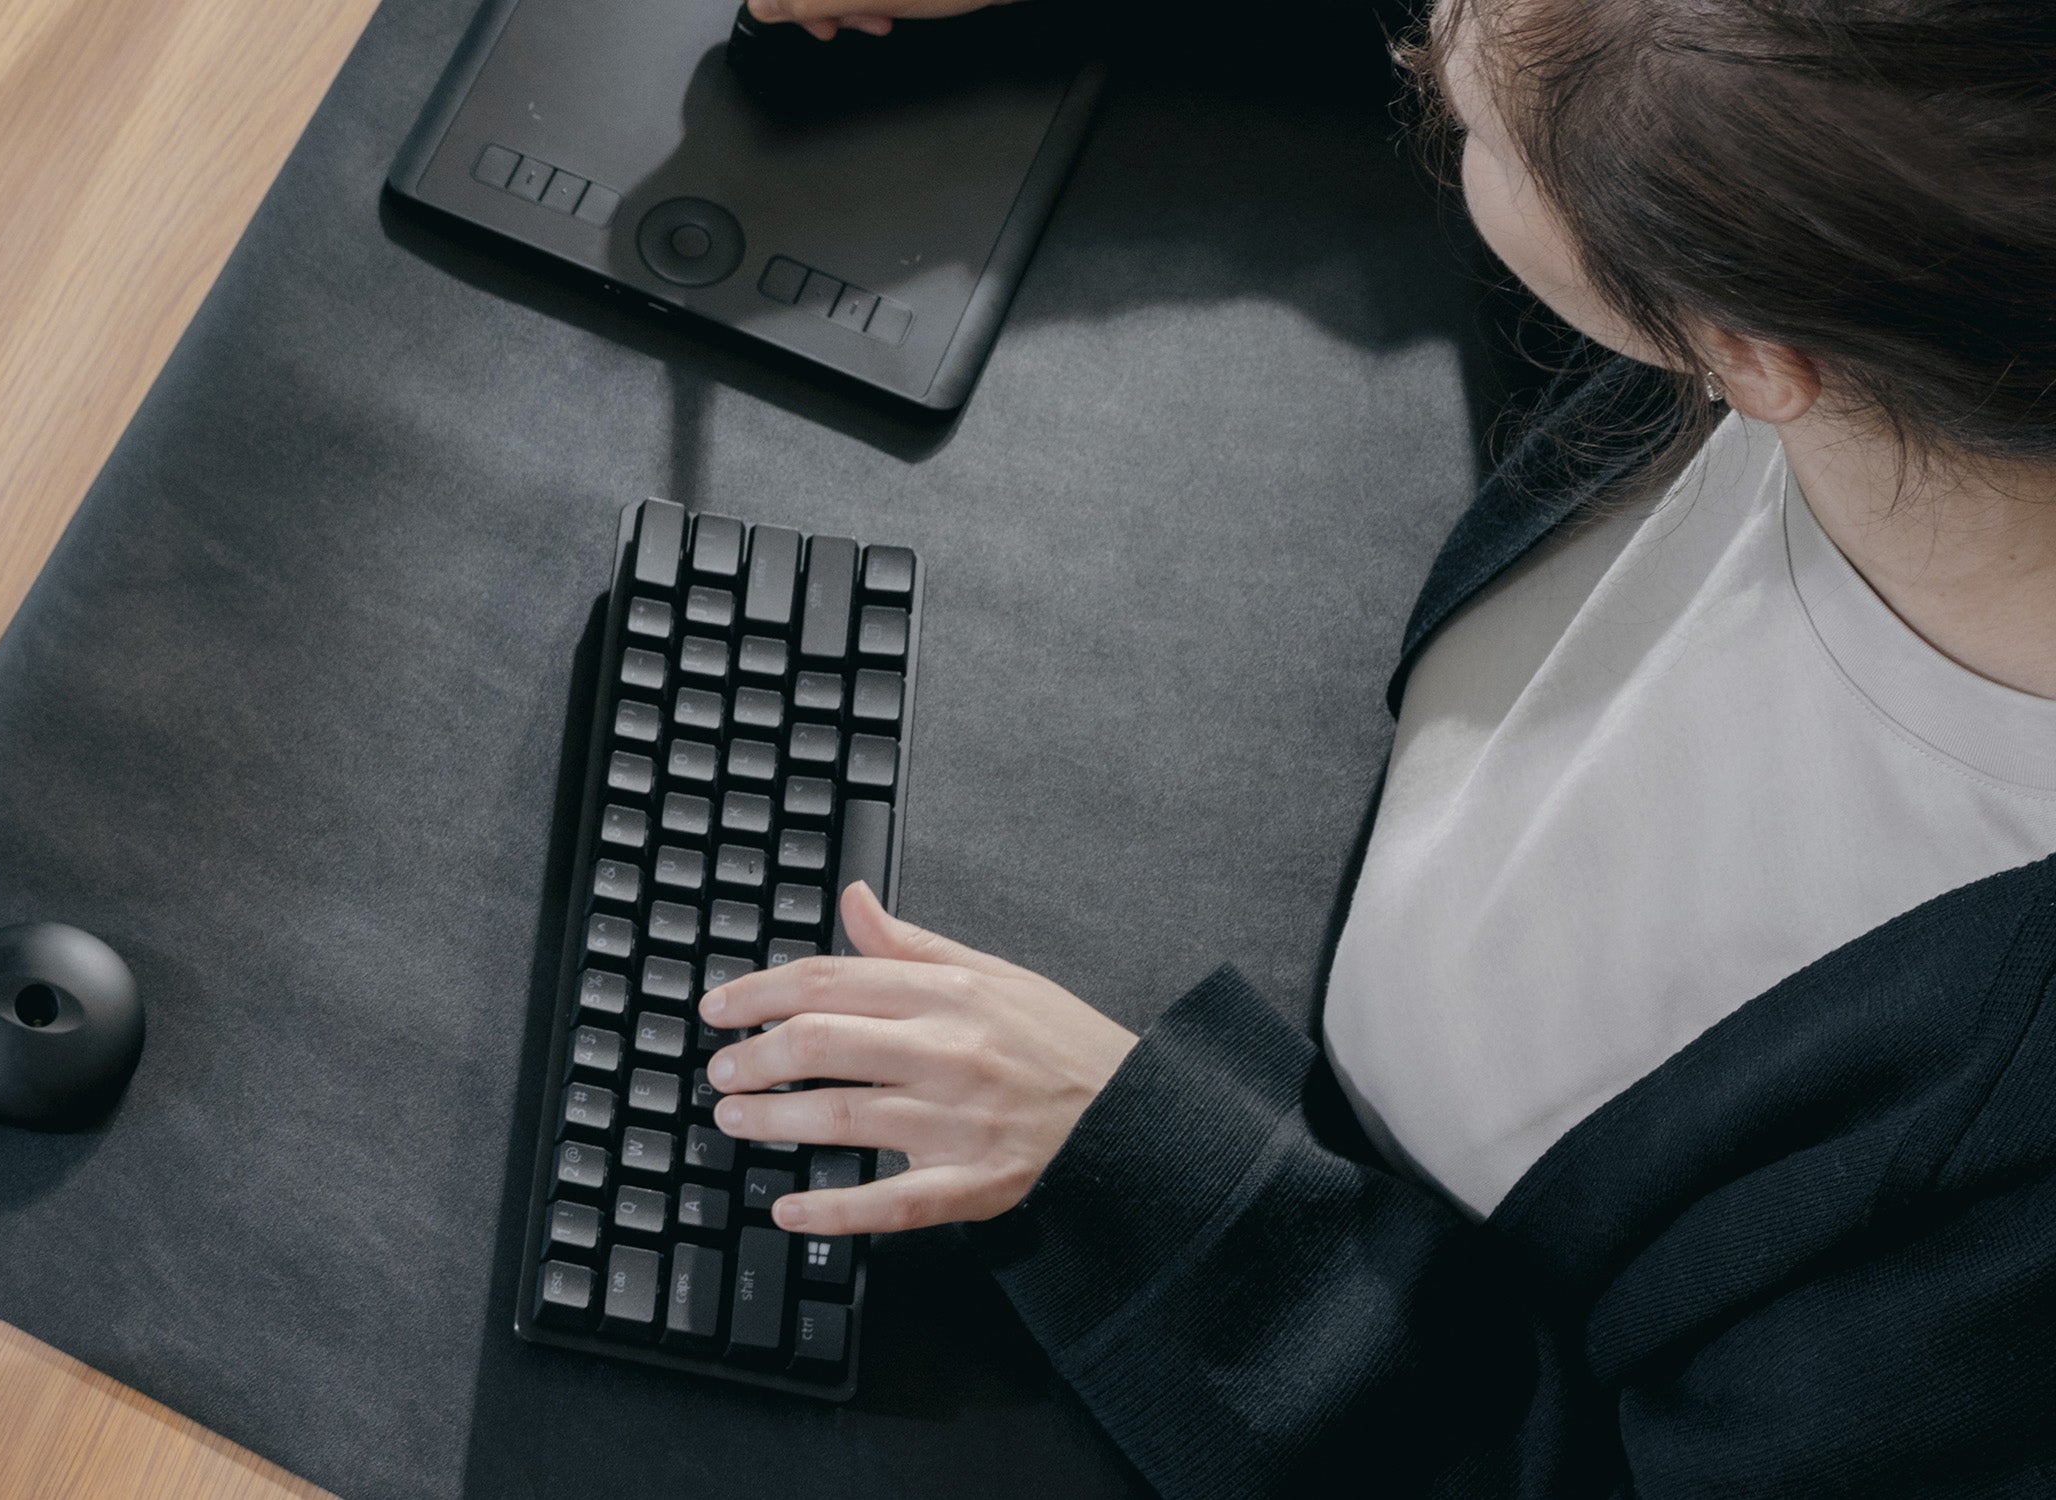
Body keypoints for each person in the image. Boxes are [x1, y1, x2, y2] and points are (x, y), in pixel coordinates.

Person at [712, 0, 2056, 1493]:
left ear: (1747, 346)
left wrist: (1162, 1180)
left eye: (1459, 116)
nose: (1427, 40)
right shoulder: (1914, 278)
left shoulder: (1997, 1190)